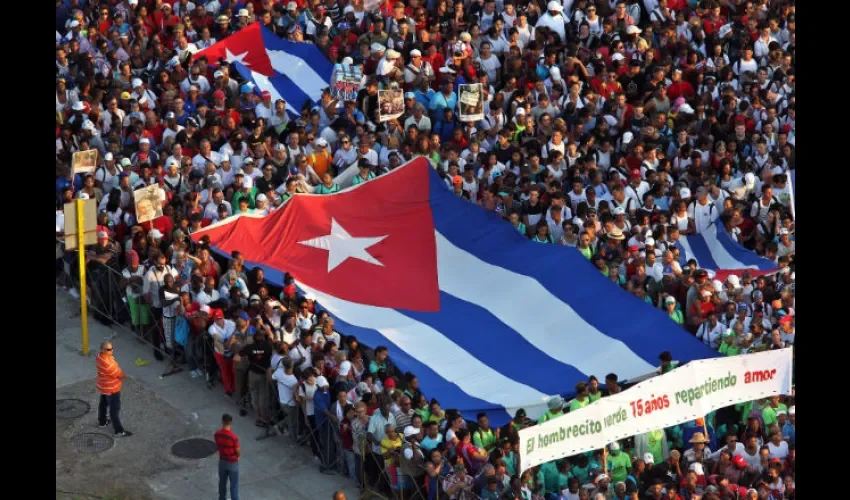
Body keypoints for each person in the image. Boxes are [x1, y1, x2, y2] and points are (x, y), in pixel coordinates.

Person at [96, 341, 131, 437]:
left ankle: (102, 422)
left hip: (104, 386)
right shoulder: (109, 364)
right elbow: (121, 375)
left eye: (112, 348)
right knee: (114, 410)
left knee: (103, 404)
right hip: (112, 389)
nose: (111, 351)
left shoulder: (99, 357)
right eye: (108, 349)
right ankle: (119, 431)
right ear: (102, 350)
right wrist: (123, 376)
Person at [214, 413, 240, 500]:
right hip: (233, 463)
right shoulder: (233, 437)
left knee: (222, 483)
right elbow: (238, 451)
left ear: (222, 421)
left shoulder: (217, 434)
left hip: (222, 461)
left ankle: (222, 498)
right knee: (234, 486)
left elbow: (218, 446)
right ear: (231, 422)